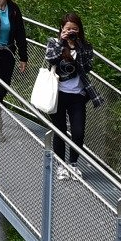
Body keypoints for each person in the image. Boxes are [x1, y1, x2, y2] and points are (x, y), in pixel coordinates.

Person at [44, 13, 98, 174]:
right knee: (59, 130)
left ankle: (73, 164)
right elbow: (51, 59)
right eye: (68, 28)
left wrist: (78, 46)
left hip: (78, 95)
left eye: (75, 28)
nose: (71, 31)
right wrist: (62, 41)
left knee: (78, 132)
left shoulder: (85, 46)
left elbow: (88, 67)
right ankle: (61, 165)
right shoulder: (54, 43)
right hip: (58, 93)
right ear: (62, 29)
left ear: (80, 30)